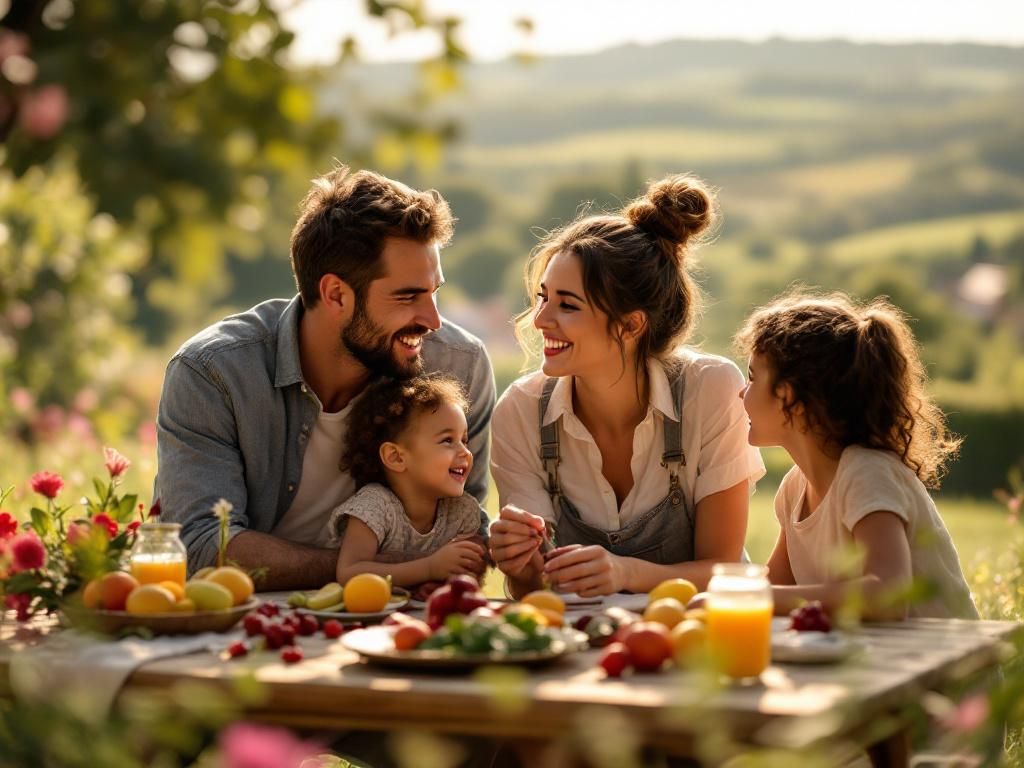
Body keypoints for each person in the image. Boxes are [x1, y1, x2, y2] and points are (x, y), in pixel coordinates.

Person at [155, 166, 495, 590]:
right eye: (408, 296)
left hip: (400, 621)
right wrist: (364, 568)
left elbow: (462, 536)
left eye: (434, 291)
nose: (432, 320)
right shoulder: (213, 373)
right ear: (335, 294)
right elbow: (203, 548)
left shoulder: (460, 366)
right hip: (248, 621)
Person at [488, 174, 765, 599]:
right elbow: (534, 588)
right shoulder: (521, 410)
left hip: (703, 639)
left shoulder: (710, 389)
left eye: (567, 305)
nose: (541, 319)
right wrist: (519, 564)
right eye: (543, 297)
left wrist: (625, 573)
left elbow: (724, 571)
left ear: (630, 325)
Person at [734, 291, 978, 620]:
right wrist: (715, 599)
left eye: (752, 377)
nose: (741, 392)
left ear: (789, 397)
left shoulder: (866, 473)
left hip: (947, 668)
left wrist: (752, 599)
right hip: (881, 663)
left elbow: (888, 597)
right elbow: (775, 585)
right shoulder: (794, 489)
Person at [329, 374, 488, 587]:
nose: (466, 453)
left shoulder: (463, 511)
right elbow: (349, 572)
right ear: (396, 457)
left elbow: (468, 579)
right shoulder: (374, 508)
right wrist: (429, 568)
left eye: (464, 440)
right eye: (447, 440)